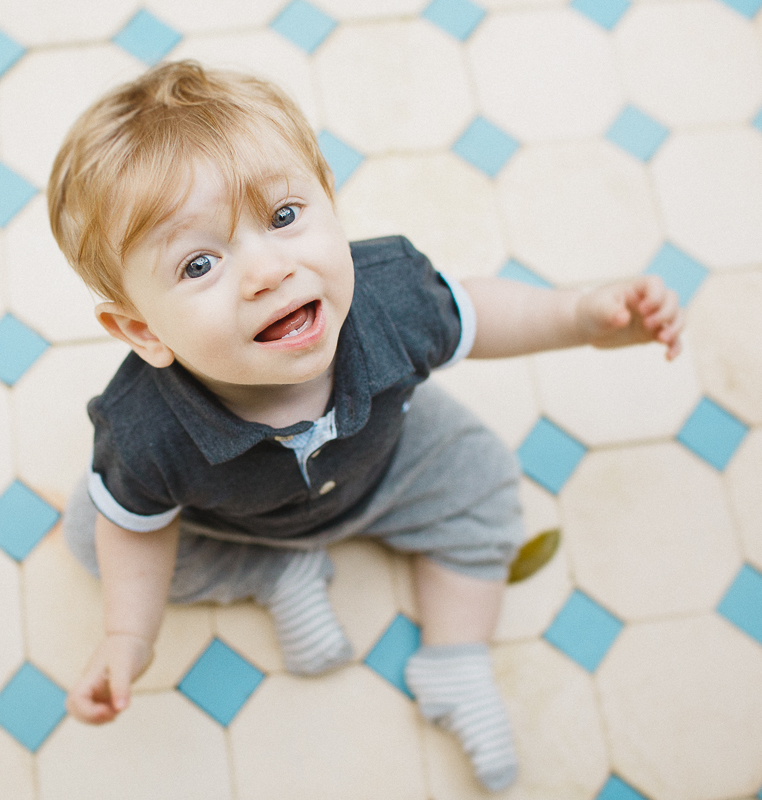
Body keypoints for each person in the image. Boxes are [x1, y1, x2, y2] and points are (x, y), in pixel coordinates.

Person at [47, 60, 683, 791]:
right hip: (241, 518)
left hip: (390, 463)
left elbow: (477, 314)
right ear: (141, 330)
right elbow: (136, 531)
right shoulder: (146, 432)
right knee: (95, 531)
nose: (268, 271)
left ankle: (455, 660)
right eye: (199, 264)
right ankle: (276, 571)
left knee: (483, 477)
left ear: (331, 202)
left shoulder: (389, 296)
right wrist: (131, 637)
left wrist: (581, 318)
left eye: (284, 218)